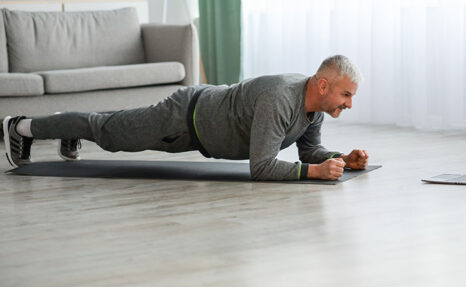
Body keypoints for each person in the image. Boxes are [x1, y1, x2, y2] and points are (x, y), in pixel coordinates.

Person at [3, 54, 369, 181]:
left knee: (110, 125)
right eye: (345, 95)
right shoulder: (280, 99)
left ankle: (72, 127)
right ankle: (20, 126)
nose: (349, 104)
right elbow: (261, 167)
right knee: (109, 133)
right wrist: (315, 173)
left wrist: (337, 159)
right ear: (323, 85)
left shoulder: (314, 108)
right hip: (183, 119)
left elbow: (310, 152)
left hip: (199, 127)